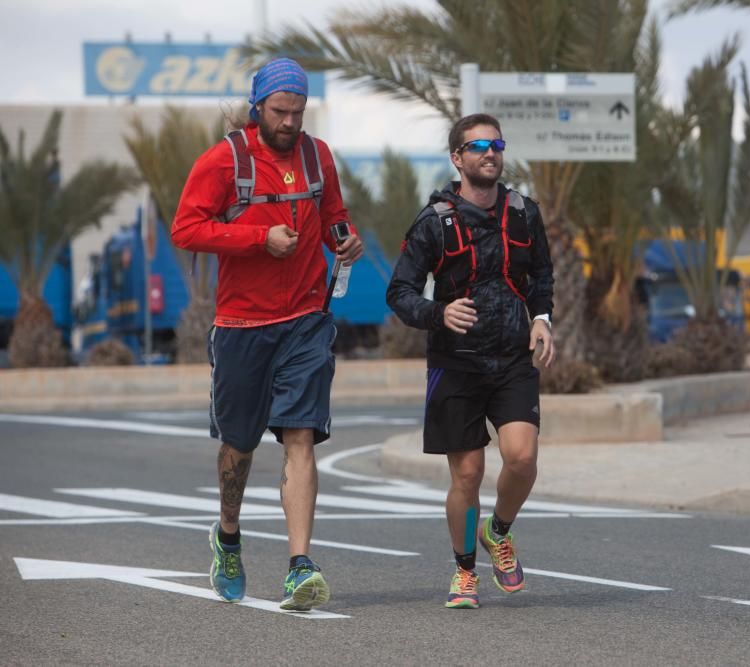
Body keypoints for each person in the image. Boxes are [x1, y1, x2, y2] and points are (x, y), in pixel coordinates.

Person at [172, 57, 363, 611]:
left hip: (306, 319)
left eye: (298, 112)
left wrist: (344, 240)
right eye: (280, 111)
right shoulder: (224, 159)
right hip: (241, 326)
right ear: (259, 107)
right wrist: (259, 238)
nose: (289, 122)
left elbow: (334, 216)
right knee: (240, 446)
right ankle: (228, 536)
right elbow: (187, 228)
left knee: (301, 436)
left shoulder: (317, 154)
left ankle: (300, 565)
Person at [386, 113, 555, 609]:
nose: (490, 153)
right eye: (478, 146)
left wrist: (541, 318)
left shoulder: (524, 213)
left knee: (522, 457)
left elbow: (541, 273)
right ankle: (464, 572)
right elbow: (399, 292)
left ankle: (497, 531)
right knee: (468, 473)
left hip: (512, 356)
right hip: (455, 362)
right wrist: (439, 312)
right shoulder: (434, 221)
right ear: (457, 158)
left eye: (496, 144)